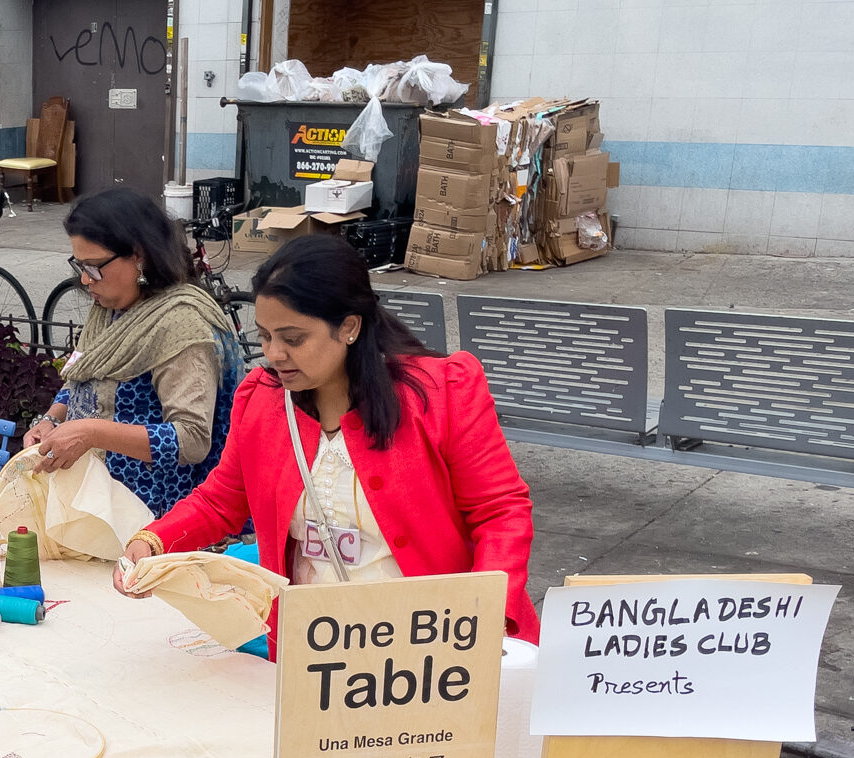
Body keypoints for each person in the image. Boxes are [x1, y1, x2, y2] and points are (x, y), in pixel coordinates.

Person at [115, 234, 538, 656]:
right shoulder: (261, 398)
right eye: (264, 336)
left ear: (349, 327)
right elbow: (223, 499)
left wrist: (484, 615)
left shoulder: (442, 391)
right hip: (316, 648)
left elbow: (500, 511)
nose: (274, 353)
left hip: (433, 643)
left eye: (293, 338)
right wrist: (152, 542)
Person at [22, 186, 248, 514]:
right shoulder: (111, 308)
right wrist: (51, 419)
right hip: (96, 506)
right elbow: (83, 376)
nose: (85, 280)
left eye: (94, 267)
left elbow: (192, 440)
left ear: (139, 255)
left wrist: (92, 432)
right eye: (80, 265)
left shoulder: (181, 323)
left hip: (155, 519)